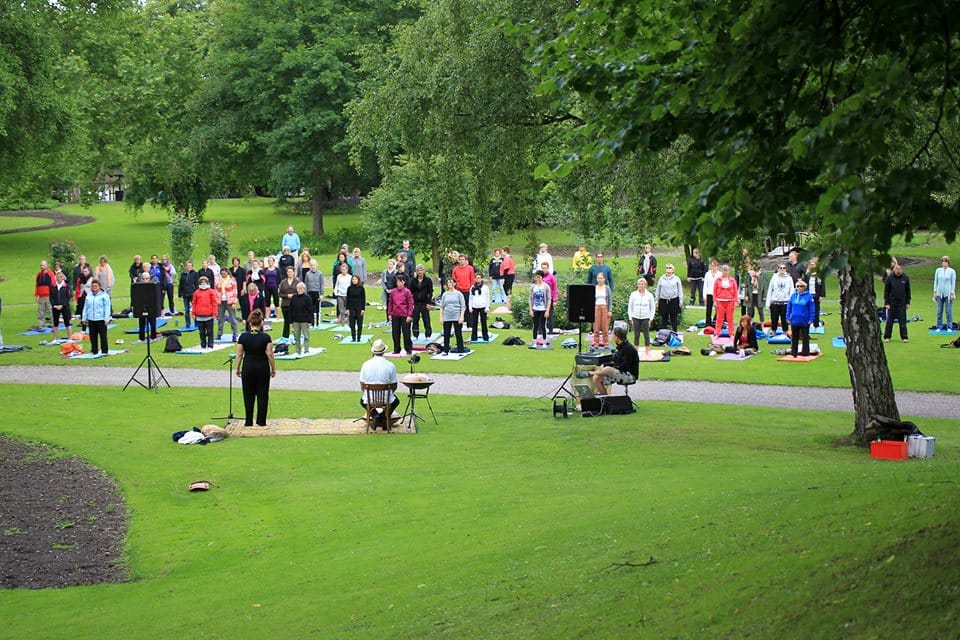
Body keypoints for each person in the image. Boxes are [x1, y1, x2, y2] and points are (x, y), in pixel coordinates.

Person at [236, 309, 276, 427]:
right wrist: (273, 368)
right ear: (261, 323)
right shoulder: (265, 337)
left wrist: (237, 368)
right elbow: (269, 354)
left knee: (248, 394)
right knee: (262, 394)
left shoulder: (243, 337)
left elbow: (239, 354)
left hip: (248, 367)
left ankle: (248, 420)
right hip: (262, 367)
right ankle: (261, 420)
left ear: (249, 323)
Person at [590, 326, 639, 396]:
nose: (612, 337)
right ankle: (606, 401)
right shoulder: (620, 347)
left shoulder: (628, 349)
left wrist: (608, 367)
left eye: (613, 335)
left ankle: (590, 373)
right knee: (596, 378)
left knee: (606, 369)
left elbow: (623, 366)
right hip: (620, 373)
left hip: (629, 375)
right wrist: (604, 364)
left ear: (616, 336)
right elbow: (614, 360)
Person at [359, 339, 399, 421]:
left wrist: (369, 394)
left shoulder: (366, 364)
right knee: (396, 401)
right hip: (386, 397)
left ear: (373, 351)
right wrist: (389, 394)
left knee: (362, 401)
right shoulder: (390, 365)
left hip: (369, 398)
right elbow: (394, 385)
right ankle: (382, 417)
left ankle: (376, 416)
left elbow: (362, 385)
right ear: (383, 351)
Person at [81, 279, 111, 355]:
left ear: (99, 287)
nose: (94, 287)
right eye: (93, 286)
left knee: (103, 336)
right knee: (92, 336)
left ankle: (104, 351)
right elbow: (85, 307)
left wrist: (106, 318)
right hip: (91, 319)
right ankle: (94, 350)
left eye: (96, 286)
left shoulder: (104, 296)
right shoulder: (89, 296)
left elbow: (107, 308)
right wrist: (84, 318)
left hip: (101, 318)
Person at [884, 262, 911, 342]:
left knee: (902, 321)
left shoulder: (905, 278)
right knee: (889, 321)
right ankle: (887, 336)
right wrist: (887, 303)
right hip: (892, 303)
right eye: (896, 269)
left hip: (902, 303)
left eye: (899, 269)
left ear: (901, 269)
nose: (898, 270)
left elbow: (908, 290)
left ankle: (904, 337)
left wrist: (908, 302)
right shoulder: (890, 278)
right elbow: (886, 291)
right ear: (894, 269)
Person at [787, 280, 815, 356]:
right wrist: (788, 317)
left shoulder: (809, 296)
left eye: (801, 286)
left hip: (804, 320)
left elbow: (812, 308)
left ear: (804, 287)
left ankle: (805, 353)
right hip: (794, 320)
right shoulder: (793, 296)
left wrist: (811, 319)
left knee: (805, 337)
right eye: (797, 286)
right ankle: (794, 353)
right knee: (794, 338)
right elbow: (789, 307)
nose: (799, 288)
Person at [388, 274, 414, 355]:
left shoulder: (407, 291)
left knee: (406, 333)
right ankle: (396, 349)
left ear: (403, 282)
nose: (399, 283)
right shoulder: (393, 292)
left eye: (400, 281)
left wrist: (409, 315)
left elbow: (410, 304)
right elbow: (390, 303)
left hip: (404, 315)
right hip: (395, 315)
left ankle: (408, 349)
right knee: (395, 333)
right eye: (397, 282)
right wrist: (389, 313)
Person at [628, 278, 656, 353]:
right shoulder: (633, 294)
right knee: (636, 334)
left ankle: (647, 349)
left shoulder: (649, 295)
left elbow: (652, 307)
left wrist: (651, 318)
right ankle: (636, 350)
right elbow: (630, 307)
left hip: (646, 317)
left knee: (646, 334)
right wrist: (630, 318)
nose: (641, 285)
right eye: (639, 284)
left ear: (645, 285)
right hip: (635, 317)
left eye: (642, 284)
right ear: (637, 285)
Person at [766, 263, 795, 334]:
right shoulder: (774, 278)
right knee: (774, 318)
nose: (782, 269)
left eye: (784, 268)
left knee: (785, 319)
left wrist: (791, 303)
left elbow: (791, 291)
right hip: (775, 302)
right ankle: (773, 332)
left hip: (785, 302)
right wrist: (768, 303)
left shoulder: (789, 278)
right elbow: (770, 290)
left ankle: (785, 333)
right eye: (780, 268)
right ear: (778, 269)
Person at [440, 279, 466, 354]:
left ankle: (460, 349)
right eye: (448, 283)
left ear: (454, 284)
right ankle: (446, 350)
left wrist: (461, 317)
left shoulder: (459, 294)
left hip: (456, 315)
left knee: (458, 333)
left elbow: (463, 306)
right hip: (447, 316)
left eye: (451, 283)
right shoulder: (445, 294)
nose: (450, 284)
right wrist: (441, 317)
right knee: (446, 334)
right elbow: (442, 306)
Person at [192, 276, 219, 350]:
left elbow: (214, 303)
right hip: (199, 315)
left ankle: (210, 345)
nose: (203, 284)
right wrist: (193, 313)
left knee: (210, 331)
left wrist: (214, 314)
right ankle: (203, 345)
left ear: (207, 283)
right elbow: (194, 303)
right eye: (201, 282)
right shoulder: (196, 292)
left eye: (205, 282)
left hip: (209, 315)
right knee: (201, 332)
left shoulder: (211, 291)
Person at [655, 263, 684, 332]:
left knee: (673, 318)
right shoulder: (661, 279)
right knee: (664, 318)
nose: (668, 269)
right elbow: (658, 290)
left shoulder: (676, 279)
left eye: (670, 268)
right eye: (667, 268)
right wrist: (656, 300)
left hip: (673, 300)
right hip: (663, 300)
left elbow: (680, 290)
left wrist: (681, 300)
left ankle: (674, 333)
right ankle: (663, 335)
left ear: (673, 270)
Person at [288, 282, 314, 355]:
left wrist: (310, 321)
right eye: (299, 288)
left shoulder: (307, 298)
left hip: (305, 321)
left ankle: (306, 350)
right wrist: (291, 322)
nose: (300, 290)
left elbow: (310, 310)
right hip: (295, 320)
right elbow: (291, 310)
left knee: (306, 336)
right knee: (296, 337)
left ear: (304, 289)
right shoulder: (294, 298)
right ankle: (298, 351)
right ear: (296, 289)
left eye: (302, 288)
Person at [410, 264, 434, 339]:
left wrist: (429, 303)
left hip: (425, 303)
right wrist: (412, 303)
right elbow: (411, 292)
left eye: (421, 270)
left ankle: (428, 335)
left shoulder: (428, 280)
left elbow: (430, 292)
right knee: (415, 319)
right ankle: (415, 335)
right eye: (418, 270)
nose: (420, 272)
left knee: (426, 319)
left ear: (424, 271)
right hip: (416, 303)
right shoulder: (413, 281)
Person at [713, 264, 738, 335]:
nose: (725, 272)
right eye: (724, 271)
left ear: (728, 271)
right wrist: (715, 301)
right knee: (719, 318)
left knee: (730, 318)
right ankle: (717, 332)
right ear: (722, 271)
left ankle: (731, 333)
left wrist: (736, 301)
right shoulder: (718, 280)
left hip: (730, 301)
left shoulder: (732, 280)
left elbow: (735, 291)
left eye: (726, 271)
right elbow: (714, 291)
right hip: (720, 301)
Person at [933, 255, 956, 332]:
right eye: (943, 261)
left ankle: (949, 327)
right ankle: (939, 326)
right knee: (939, 311)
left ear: (948, 262)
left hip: (948, 293)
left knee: (948, 311)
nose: (944, 263)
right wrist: (935, 292)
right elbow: (936, 281)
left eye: (945, 261)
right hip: (939, 293)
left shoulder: (952, 271)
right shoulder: (938, 270)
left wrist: (952, 293)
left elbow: (953, 283)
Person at [529, 270, 552, 345]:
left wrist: (547, 311)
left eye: (539, 277)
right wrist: (531, 309)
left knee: (543, 326)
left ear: (542, 277)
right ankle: (534, 342)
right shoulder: (533, 286)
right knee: (535, 326)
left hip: (543, 309)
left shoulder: (546, 286)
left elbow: (549, 299)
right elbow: (530, 298)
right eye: (536, 277)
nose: (537, 279)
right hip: (535, 309)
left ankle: (545, 342)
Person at [278, 266, 301, 339]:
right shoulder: (283, 282)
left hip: (295, 304)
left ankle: (296, 335)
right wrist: (287, 296)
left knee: (295, 321)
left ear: (294, 272)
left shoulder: (298, 282)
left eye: (291, 272)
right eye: (288, 272)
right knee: (286, 321)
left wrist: (293, 295)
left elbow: (300, 292)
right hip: (285, 304)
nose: (290, 273)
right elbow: (280, 294)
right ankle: (285, 336)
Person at [136, 271, 160, 342]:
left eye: (146, 278)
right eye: (143, 278)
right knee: (141, 323)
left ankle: (153, 336)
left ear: (149, 278)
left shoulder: (153, 286)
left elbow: (156, 298)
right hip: (142, 307)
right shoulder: (139, 287)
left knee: (152, 323)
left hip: (151, 307)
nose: (145, 280)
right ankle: (141, 338)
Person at [217, 267, 239, 342]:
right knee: (220, 318)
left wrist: (234, 302)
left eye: (224, 273)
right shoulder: (218, 280)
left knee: (232, 318)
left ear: (227, 273)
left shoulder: (232, 280)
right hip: (220, 301)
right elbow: (215, 290)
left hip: (230, 301)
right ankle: (219, 333)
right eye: (222, 273)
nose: (223, 274)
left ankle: (235, 333)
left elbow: (235, 292)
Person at [49, 271, 73, 341]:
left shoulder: (66, 286)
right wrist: (54, 305)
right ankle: (55, 338)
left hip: (65, 307)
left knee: (67, 322)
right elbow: (51, 297)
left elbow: (68, 297)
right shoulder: (53, 286)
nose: (59, 278)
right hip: (55, 307)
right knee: (55, 323)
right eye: (57, 277)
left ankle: (70, 338)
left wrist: (63, 305)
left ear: (63, 277)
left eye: (60, 277)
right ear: (55, 278)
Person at [591, 272, 613, 347]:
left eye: (601, 278)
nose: (600, 280)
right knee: (596, 326)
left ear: (604, 279)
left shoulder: (607, 288)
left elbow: (610, 299)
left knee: (605, 327)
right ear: (596, 279)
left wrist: (610, 310)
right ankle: (596, 342)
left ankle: (606, 342)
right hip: (596, 307)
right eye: (598, 278)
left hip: (605, 307)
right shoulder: (594, 288)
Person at [802, 259, 825, 327]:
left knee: (816, 310)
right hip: (808, 295)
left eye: (813, 265)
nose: (812, 266)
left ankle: (816, 324)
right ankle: (808, 324)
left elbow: (823, 285)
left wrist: (822, 295)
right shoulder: (807, 274)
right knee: (807, 310)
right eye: (811, 265)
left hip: (816, 295)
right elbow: (803, 282)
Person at [34, 260, 56, 330]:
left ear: (46, 266)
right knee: (41, 312)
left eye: (43, 265)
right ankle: (41, 326)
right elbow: (37, 285)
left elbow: (53, 284)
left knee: (51, 311)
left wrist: (53, 295)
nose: (41, 267)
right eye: (41, 265)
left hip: (49, 296)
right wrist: (36, 295)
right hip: (41, 297)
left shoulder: (51, 274)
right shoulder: (39, 275)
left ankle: (54, 326)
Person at [469, 273, 491, 342]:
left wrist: (487, 307)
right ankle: (474, 337)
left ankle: (485, 337)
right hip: (474, 306)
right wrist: (470, 306)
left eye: (479, 278)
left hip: (483, 307)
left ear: (481, 279)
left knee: (483, 322)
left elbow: (487, 298)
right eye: (476, 278)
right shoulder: (472, 287)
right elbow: (471, 298)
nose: (477, 279)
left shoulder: (485, 287)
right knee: (474, 323)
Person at [346, 274, 366, 342]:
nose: (354, 281)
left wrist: (363, 309)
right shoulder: (349, 288)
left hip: (359, 307)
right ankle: (353, 337)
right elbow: (347, 299)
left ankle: (359, 337)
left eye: (355, 279)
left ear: (358, 280)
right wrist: (347, 309)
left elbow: (363, 299)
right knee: (352, 324)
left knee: (359, 324)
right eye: (353, 279)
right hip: (351, 307)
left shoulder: (361, 288)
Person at [303, 259, 324, 325]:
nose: (312, 267)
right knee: (310, 308)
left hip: (317, 292)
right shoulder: (307, 274)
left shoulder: (320, 273)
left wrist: (321, 293)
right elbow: (305, 284)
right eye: (311, 265)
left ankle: (318, 323)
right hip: (309, 293)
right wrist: (305, 294)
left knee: (317, 309)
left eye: (314, 265)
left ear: (316, 265)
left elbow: (322, 284)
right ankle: (311, 322)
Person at [178, 260, 198, 327]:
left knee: (195, 310)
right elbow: (181, 285)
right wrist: (179, 295)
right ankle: (188, 324)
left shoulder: (195, 273)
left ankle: (196, 323)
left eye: (190, 266)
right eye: (187, 265)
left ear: (192, 266)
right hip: (185, 295)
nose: (188, 267)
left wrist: (197, 293)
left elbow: (197, 284)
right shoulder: (183, 274)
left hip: (193, 294)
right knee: (187, 310)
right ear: (186, 266)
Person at [541, 262, 559, 332]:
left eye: (545, 268)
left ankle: (550, 330)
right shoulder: (540, 277)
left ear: (548, 268)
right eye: (542, 268)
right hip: (541, 298)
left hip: (549, 298)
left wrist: (555, 300)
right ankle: (540, 330)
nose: (544, 270)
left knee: (550, 315)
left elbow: (555, 289)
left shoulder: (552, 277)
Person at [702, 259, 720, 326]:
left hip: (717, 294)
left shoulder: (719, 274)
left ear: (717, 266)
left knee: (717, 309)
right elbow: (705, 285)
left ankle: (717, 322)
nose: (714, 267)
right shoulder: (707, 274)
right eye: (712, 265)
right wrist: (704, 295)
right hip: (709, 293)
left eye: (715, 265)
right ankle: (708, 324)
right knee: (708, 309)